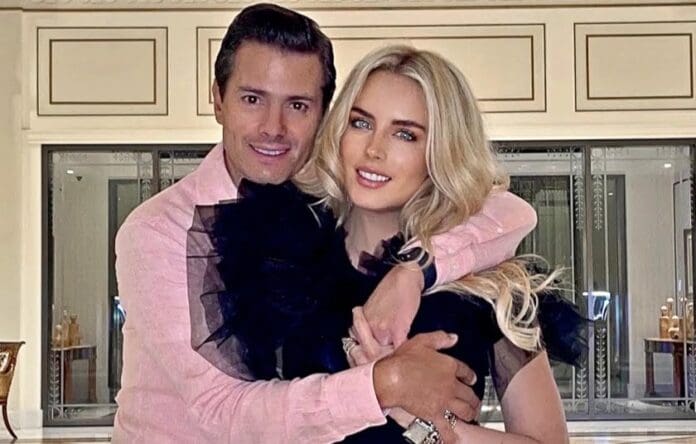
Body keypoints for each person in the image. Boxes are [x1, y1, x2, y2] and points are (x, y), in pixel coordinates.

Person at [113, 4, 537, 443]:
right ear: (218, 99)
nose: (273, 128)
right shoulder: (158, 232)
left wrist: (415, 272)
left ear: (323, 114)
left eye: (298, 105)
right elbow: (221, 410)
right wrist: (386, 384)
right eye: (252, 99)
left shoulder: (314, 211)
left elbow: (512, 212)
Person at [188, 45, 588, 443]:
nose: (374, 150)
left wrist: (416, 417)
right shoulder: (279, 259)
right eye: (361, 123)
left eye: (405, 134)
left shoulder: (489, 284)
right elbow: (229, 417)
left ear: (440, 152)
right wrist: (382, 385)